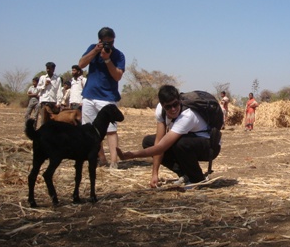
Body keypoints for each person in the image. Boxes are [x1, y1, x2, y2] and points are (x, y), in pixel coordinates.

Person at [117, 85, 213, 187]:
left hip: (208, 146)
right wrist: (154, 174)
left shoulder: (187, 116)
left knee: (180, 143)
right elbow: (158, 141)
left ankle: (197, 179)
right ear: (162, 105)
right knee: (148, 142)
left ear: (179, 100)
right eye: (168, 106)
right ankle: (185, 174)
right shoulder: (160, 110)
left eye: (175, 104)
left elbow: (161, 148)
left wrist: (133, 155)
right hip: (188, 141)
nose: (173, 109)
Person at [78, 27, 126, 168]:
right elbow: (81, 64)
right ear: (99, 40)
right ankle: (101, 158)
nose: (109, 46)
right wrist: (95, 51)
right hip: (89, 95)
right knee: (91, 131)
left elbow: (117, 76)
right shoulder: (92, 48)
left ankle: (113, 161)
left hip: (107, 97)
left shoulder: (119, 55)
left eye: (111, 43)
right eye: (106, 43)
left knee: (111, 130)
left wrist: (107, 60)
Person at [36, 62, 63, 128]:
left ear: (53, 69)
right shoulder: (42, 78)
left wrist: (59, 102)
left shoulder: (57, 79)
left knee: (53, 121)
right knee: (43, 121)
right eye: (47, 68)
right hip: (44, 101)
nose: (48, 70)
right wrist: (44, 85)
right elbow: (38, 89)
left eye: (49, 68)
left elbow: (59, 90)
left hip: (53, 102)